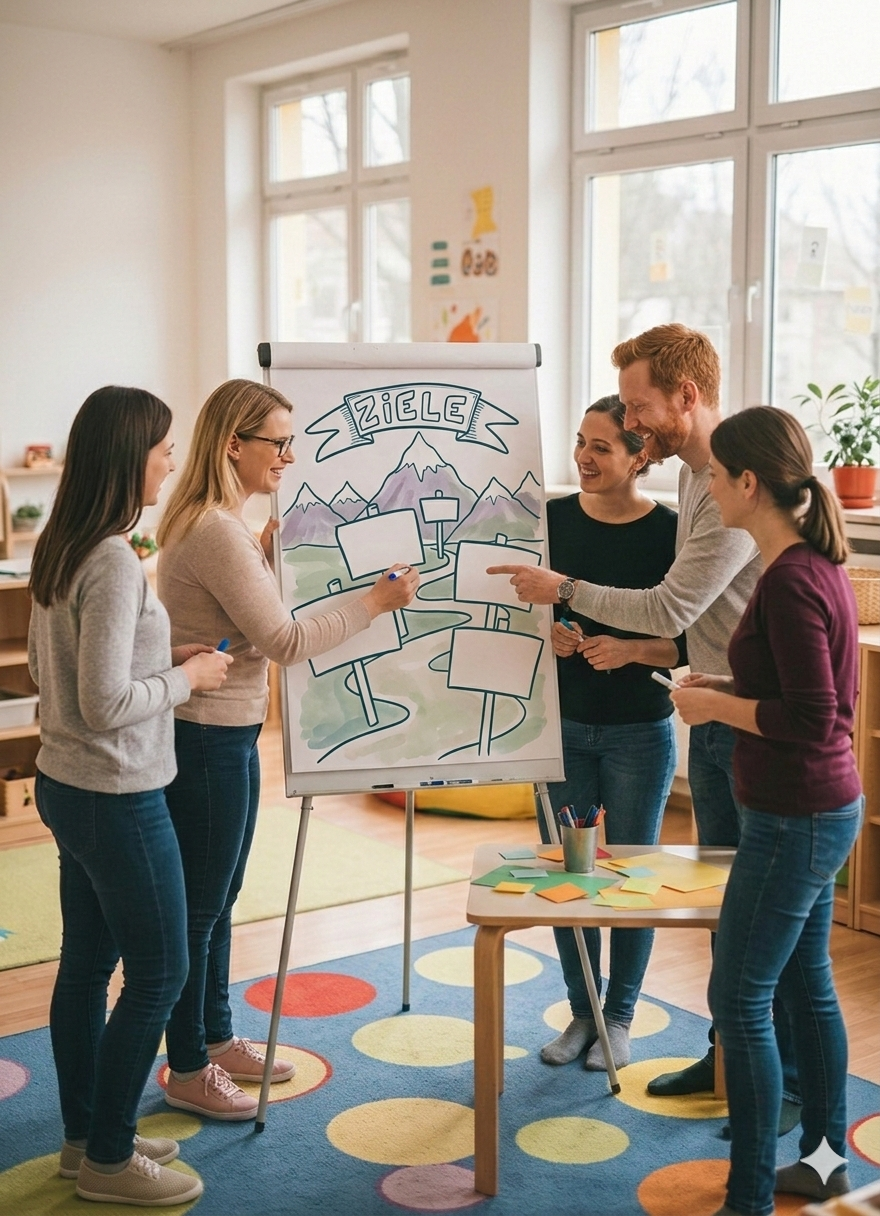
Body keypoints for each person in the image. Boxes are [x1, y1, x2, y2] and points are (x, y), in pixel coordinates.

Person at [488, 324, 802, 1133]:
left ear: (685, 399)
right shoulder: (704, 480)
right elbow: (692, 627)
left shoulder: (733, 483)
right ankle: (727, 1052)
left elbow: (672, 608)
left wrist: (563, 589)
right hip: (717, 712)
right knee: (730, 915)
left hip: (741, 724)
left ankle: (777, 1086)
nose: (632, 426)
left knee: (749, 919)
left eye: (636, 409)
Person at [155, 378, 419, 1120]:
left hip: (224, 731)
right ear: (234, 443)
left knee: (220, 897)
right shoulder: (213, 528)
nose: (290, 456)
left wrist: (269, 554)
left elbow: (245, 620)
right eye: (279, 442)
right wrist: (376, 602)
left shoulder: (219, 525)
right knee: (200, 909)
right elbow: (286, 641)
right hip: (206, 736)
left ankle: (211, 1038)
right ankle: (184, 1067)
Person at [28, 387, 232, 1207]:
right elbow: (106, 703)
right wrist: (187, 677)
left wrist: (159, 656)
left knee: (86, 967)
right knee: (162, 970)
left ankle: (86, 1141)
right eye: (163, 450)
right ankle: (110, 1159)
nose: (172, 461)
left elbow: (61, 682)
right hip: (117, 793)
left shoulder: (65, 542)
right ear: (128, 458)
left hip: (68, 783)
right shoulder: (112, 559)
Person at [671, 407, 862, 1216]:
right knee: (807, 984)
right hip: (823, 804)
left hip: (796, 814)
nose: (708, 487)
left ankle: (747, 1196)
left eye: (715, 475)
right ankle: (822, 1162)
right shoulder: (810, 565)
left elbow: (814, 719)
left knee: (740, 998)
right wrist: (721, 690)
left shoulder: (788, 579)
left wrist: (716, 713)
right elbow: (795, 694)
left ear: (749, 483)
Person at [538, 395, 683, 1071]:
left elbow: (686, 642)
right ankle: (582, 1012)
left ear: (640, 455)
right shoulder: (553, 520)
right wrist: (556, 636)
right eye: (580, 442)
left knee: (629, 877)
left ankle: (619, 1017)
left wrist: (631, 651)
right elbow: (525, 616)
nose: (584, 458)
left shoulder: (673, 531)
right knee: (573, 875)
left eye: (601, 447)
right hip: (562, 726)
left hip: (638, 732)